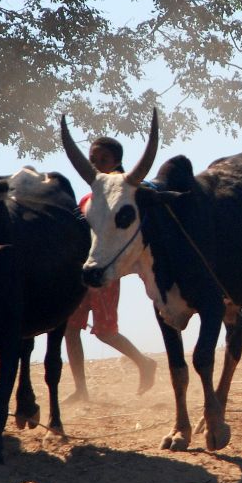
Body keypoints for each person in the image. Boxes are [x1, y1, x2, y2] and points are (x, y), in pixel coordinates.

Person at [64, 135, 157, 402]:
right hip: (84, 269)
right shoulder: (91, 197)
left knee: (105, 332)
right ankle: (81, 389)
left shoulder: (131, 193)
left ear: (117, 161)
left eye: (103, 159)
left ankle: (143, 362)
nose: (96, 164)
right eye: (93, 160)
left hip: (107, 270)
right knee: (71, 328)